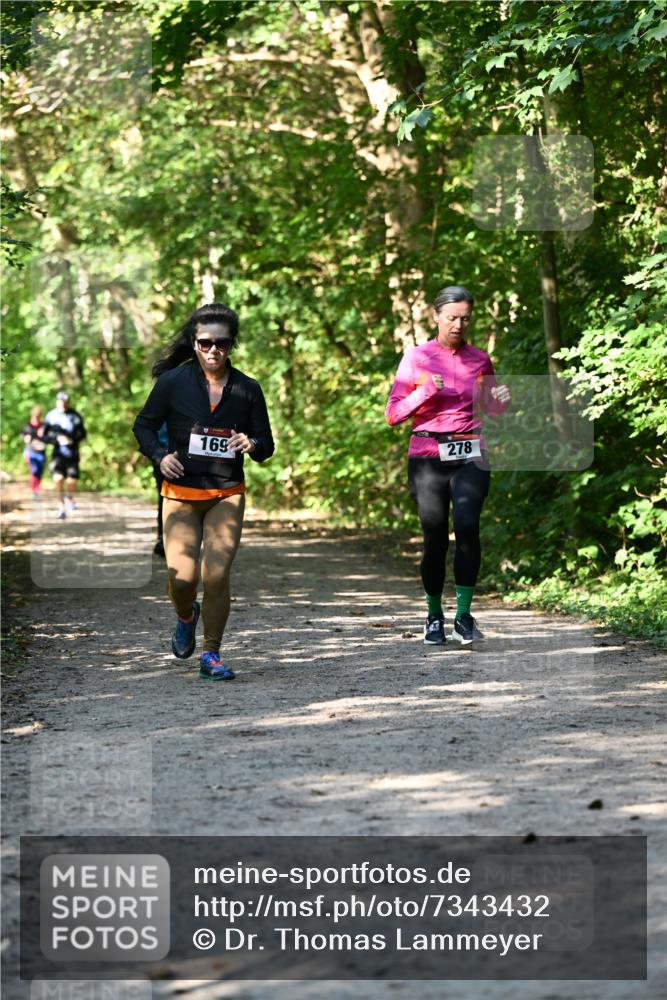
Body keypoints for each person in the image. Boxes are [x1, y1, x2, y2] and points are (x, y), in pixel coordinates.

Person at [133, 302, 274, 680]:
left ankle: (211, 652)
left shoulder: (247, 389)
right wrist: (160, 456)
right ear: (194, 343)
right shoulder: (173, 383)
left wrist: (252, 443)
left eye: (222, 343)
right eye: (205, 343)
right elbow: (143, 426)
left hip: (227, 493)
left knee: (215, 575)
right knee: (182, 579)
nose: (214, 350)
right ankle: (186, 615)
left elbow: (266, 445)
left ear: (232, 344)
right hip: (180, 493)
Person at [385, 285, 511, 646]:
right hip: (428, 456)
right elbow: (392, 414)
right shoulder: (416, 357)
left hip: (471, 452)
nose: (458, 325)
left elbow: (493, 410)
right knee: (435, 536)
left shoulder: (480, 359)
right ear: (436, 316)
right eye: (452, 318)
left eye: (465, 319)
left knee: (468, 527)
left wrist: (502, 400)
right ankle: (434, 616)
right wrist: (425, 391)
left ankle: (464, 617)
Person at [43, 391, 87, 519]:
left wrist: (73, 439)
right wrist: (55, 440)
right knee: (58, 478)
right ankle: (61, 505)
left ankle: (70, 498)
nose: (63, 404)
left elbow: (83, 434)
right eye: (61, 401)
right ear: (57, 401)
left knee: (72, 479)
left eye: (65, 402)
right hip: (58, 453)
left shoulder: (75, 416)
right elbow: (45, 435)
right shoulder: (51, 416)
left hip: (72, 452)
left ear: (68, 402)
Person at [22, 405, 47, 498]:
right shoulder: (27, 426)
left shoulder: (43, 426)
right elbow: (23, 436)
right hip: (30, 452)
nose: (36, 419)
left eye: (38, 416)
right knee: (34, 470)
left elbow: (49, 437)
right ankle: (35, 491)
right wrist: (26, 438)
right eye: (35, 416)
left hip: (41, 452)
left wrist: (44, 435)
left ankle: (37, 490)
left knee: (39, 471)